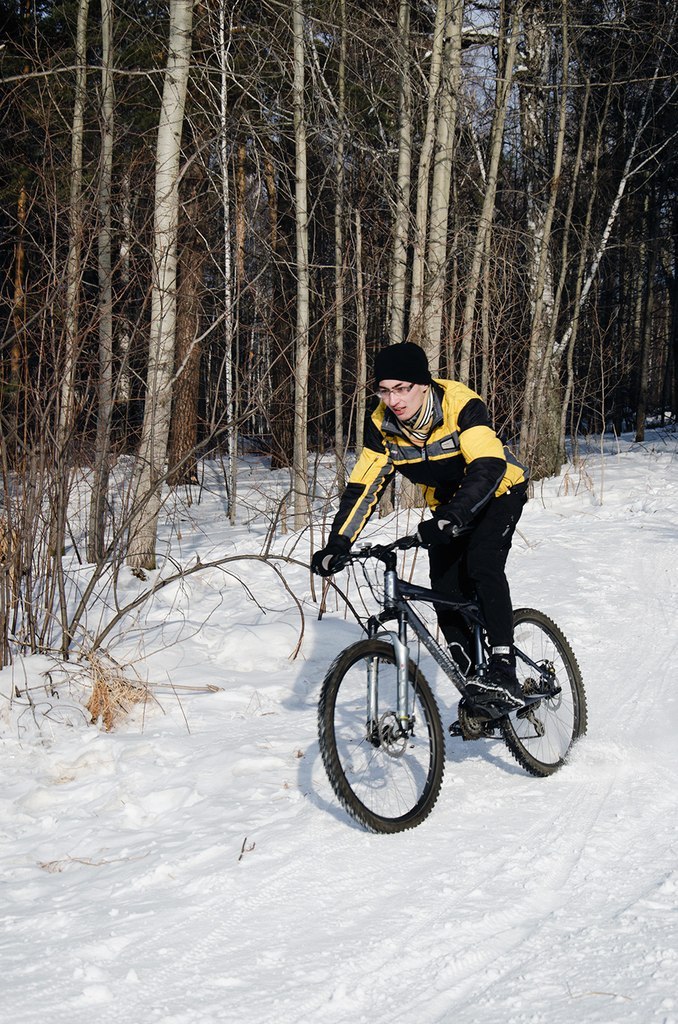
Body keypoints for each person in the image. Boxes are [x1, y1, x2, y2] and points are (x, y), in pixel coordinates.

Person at [311, 342, 529, 716]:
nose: (392, 400)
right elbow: (363, 486)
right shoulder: (382, 426)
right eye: (384, 390)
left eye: (402, 388)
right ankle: (476, 688)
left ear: (424, 385)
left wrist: (452, 517)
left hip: (499, 491)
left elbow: (487, 466)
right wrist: (339, 543)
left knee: (482, 565)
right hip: (447, 508)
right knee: (443, 591)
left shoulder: (460, 404)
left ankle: (503, 668)